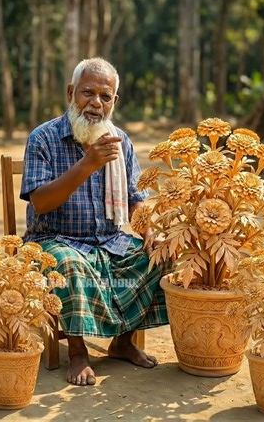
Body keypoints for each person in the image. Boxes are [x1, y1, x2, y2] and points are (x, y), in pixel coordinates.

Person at [20, 57, 168, 386]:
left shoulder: (121, 142)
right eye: (88, 92)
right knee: (68, 264)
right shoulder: (43, 138)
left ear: (114, 102)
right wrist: (87, 165)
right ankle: (77, 353)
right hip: (53, 240)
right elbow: (41, 203)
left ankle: (122, 342)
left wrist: (151, 232)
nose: (95, 103)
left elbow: (135, 199)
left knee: (159, 254)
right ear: (72, 93)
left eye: (105, 96)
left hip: (109, 240)